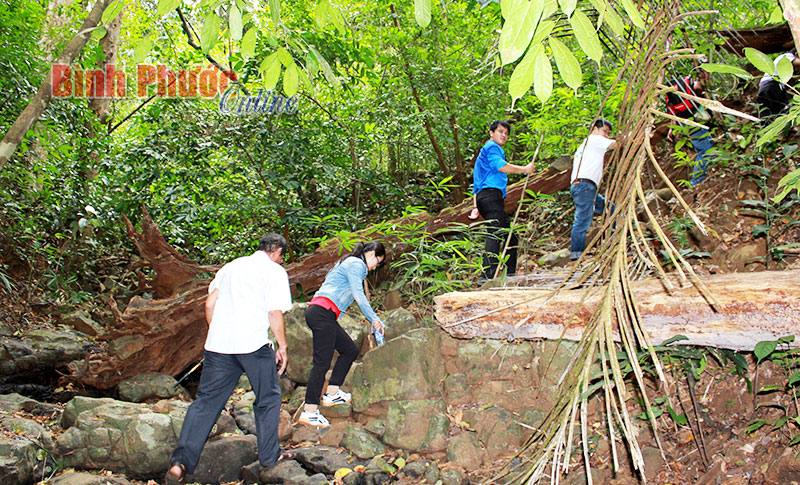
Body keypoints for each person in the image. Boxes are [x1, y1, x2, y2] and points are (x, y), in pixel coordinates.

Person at [165, 233, 293, 484]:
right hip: (254, 345)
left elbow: (209, 304)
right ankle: (269, 456)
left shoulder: (230, 267)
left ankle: (180, 464)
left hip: (219, 346)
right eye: (281, 256)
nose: (281, 260)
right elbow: (274, 312)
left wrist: (219, 333)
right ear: (276, 251)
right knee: (268, 398)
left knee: (205, 403)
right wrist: (283, 346)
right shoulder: (275, 272)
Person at [298, 241, 387, 427]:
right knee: (321, 363)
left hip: (324, 313)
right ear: (371, 254)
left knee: (349, 349)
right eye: (377, 262)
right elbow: (359, 295)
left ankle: (332, 393)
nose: (374, 268)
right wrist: (374, 319)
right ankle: (310, 411)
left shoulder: (349, 263)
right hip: (322, 312)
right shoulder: (356, 264)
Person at [471, 120, 535, 280]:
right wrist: (524, 170)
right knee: (495, 232)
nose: (504, 135)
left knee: (511, 235)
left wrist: (475, 206)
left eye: (506, 133)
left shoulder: (485, 152)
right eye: (500, 131)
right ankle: (487, 276)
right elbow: (500, 166)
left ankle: (510, 274)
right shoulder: (492, 147)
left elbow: (476, 184)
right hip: (491, 196)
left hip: (486, 198)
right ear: (491, 133)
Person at [569, 119, 618, 261]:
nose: (606, 135)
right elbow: (616, 144)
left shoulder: (587, 143)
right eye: (605, 131)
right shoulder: (594, 140)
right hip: (585, 186)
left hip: (586, 187)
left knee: (610, 209)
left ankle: (613, 240)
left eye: (608, 133)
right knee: (582, 221)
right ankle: (575, 257)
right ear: (595, 129)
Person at [665, 70, 713, 187]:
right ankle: (696, 182)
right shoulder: (693, 84)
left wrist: (672, 129)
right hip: (689, 120)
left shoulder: (682, 85)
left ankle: (699, 179)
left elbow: (670, 109)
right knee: (704, 149)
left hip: (685, 118)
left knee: (705, 147)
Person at [757, 49, 800, 123]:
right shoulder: (787, 57)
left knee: (768, 114)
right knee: (780, 112)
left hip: (765, 88)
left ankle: (768, 131)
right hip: (773, 86)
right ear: (796, 54)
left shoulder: (785, 63)